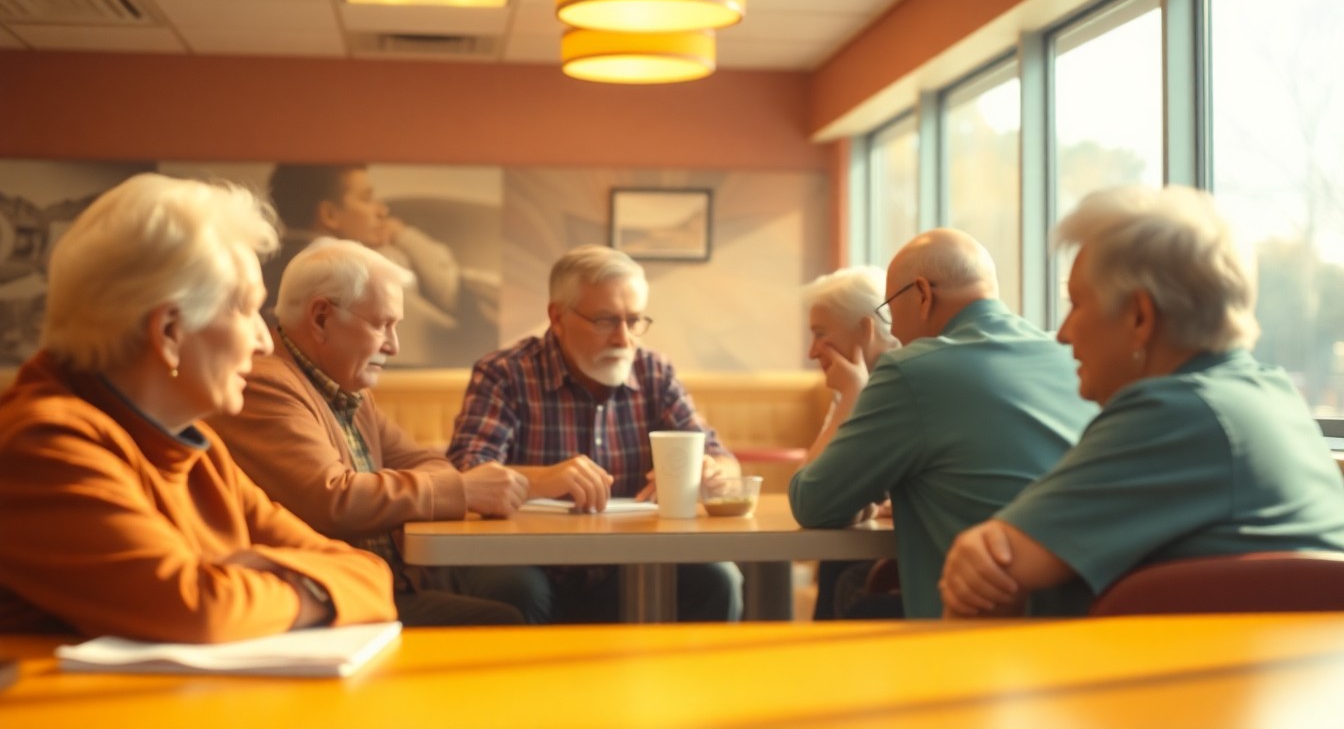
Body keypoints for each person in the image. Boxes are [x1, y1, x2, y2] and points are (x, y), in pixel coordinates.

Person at [0, 173, 396, 642]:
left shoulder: (198, 451)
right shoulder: (41, 446)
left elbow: (370, 576)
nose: (264, 342)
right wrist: (305, 585)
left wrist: (242, 581)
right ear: (169, 331)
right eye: (246, 309)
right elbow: (197, 608)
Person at [940, 185, 1344, 618]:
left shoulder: (1176, 411)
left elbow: (989, 573)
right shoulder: (1272, 395)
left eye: (1076, 304)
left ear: (1139, 317)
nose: (1062, 333)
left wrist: (978, 555)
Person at [209, 239, 528, 626]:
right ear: (322, 318)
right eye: (382, 325)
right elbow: (333, 499)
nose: (393, 345)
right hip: (333, 600)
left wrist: (394, 495)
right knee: (504, 618)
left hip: (379, 583)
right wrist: (463, 490)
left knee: (511, 595)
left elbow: (428, 462)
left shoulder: (348, 386)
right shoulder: (266, 383)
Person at [788, 228, 1095, 619]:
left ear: (921, 294)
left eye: (891, 308)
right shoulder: (1069, 357)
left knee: (855, 609)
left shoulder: (914, 371)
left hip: (979, 621)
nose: (894, 330)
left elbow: (812, 502)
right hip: (1084, 612)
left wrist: (852, 393)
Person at [447, 244, 743, 623]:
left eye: (634, 320)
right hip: (528, 558)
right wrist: (541, 480)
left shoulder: (654, 372)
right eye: (605, 321)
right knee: (513, 592)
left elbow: (722, 459)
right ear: (557, 318)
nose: (624, 339)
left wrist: (711, 474)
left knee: (717, 579)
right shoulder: (504, 374)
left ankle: (698, 685)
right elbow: (465, 474)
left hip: (632, 561)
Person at [265, 163, 495, 366]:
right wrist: (404, 236)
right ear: (329, 215)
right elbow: (461, 295)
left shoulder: (271, 261)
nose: (382, 210)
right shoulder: (351, 269)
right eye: (366, 199)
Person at [799, 266, 900, 620]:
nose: (813, 351)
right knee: (837, 567)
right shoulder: (855, 388)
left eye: (821, 334)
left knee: (841, 571)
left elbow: (810, 499)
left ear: (866, 330)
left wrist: (853, 395)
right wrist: (850, 396)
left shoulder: (902, 385)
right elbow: (812, 488)